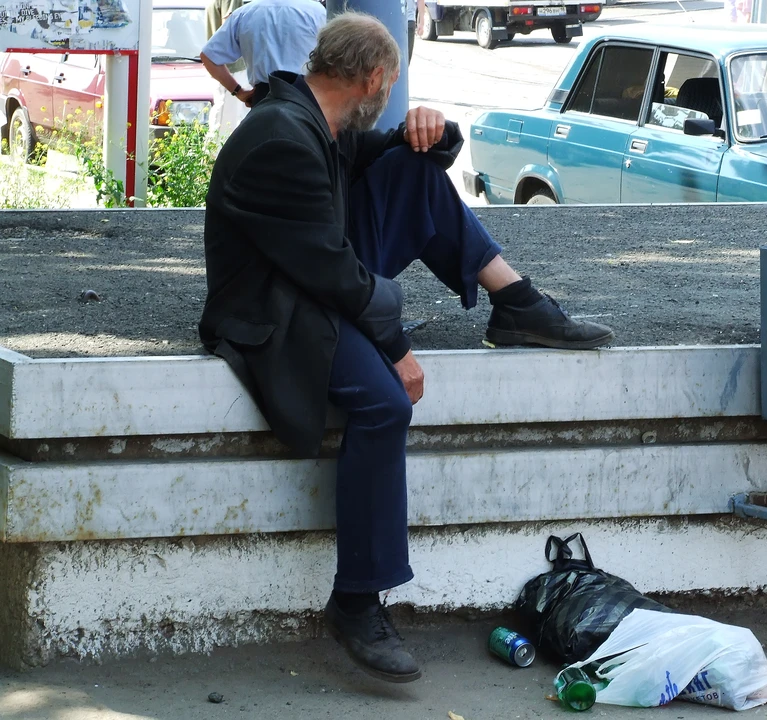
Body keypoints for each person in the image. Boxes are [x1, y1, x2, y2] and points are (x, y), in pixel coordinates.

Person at [199, 11, 613, 684]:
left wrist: (436, 128)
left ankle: (517, 305)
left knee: (415, 174)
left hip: (311, 280)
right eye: (392, 86)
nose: (390, 96)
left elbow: (387, 153)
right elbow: (333, 272)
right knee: (385, 404)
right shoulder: (282, 138)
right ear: (371, 79)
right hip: (276, 311)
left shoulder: (314, 114)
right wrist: (396, 348)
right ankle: (357, 599)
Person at [199, 0, 327, 109]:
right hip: (309, 96)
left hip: (264, 97)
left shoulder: (244, 13)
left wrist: (238, 91)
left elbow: (209, 56)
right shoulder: (318, 12)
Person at [204, 0, 250, 137]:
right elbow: (230, 24)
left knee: (222, 122)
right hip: (233, 67)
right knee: (230, 124)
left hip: (221, 66)